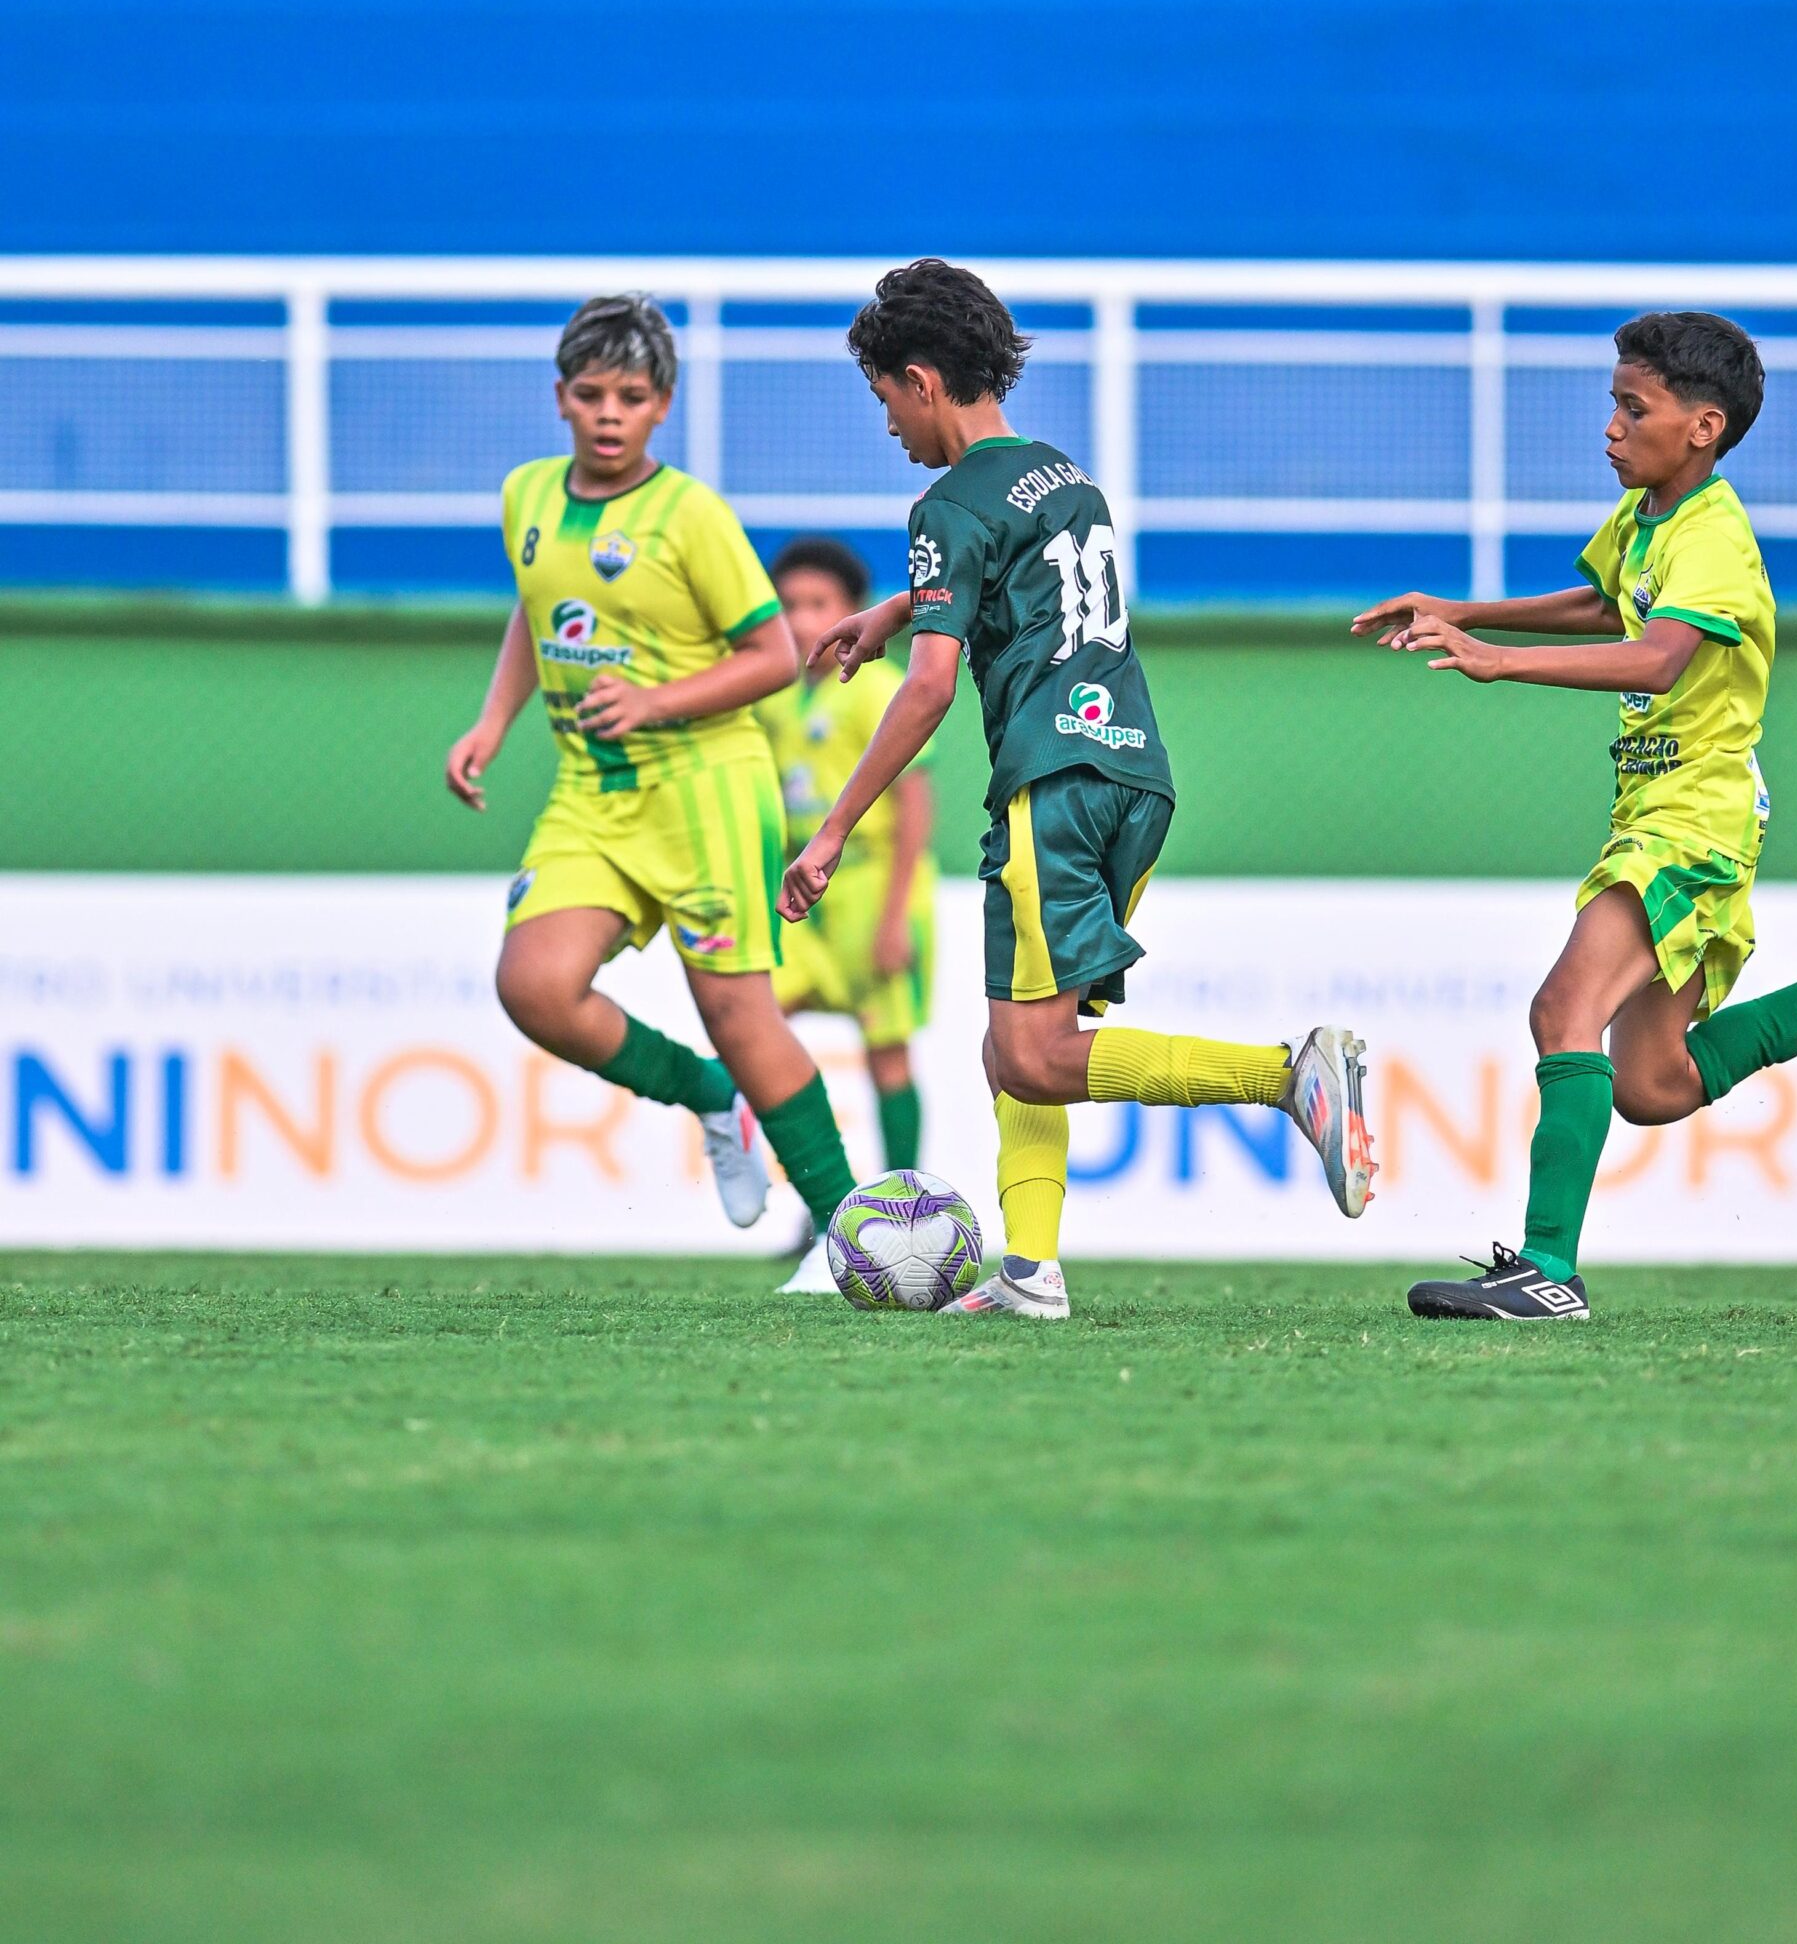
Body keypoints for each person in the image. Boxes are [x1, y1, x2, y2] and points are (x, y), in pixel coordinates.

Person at [777, 258, 1374, 1322]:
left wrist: (830, 831)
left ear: (919, 379)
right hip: (1131, 777)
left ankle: (1288, 1077)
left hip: (1049, 780)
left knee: (1032, 1051)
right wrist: (884, 617)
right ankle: (1030, 1274)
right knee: (1012, 1045)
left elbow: (927, 689)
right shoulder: (1061, 475)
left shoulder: (942, 502)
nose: (888, 428)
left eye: (883, 401)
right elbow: (1007, 590)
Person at [1356, 309, 1797, 1322]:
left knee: (1563, 1010)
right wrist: (1462, 611)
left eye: (1629, 407)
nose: (1608, 426)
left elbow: (1655, 655)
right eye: (1610, 403)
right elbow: (1610, 607)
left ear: (1702, 425)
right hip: (1661, 802)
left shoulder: (1714, 535)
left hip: (1693, 813)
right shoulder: (1647, 522)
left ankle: (1547, 1271)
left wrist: (1497, 662)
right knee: (1651, 1081)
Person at [443, 292, 858, 1287]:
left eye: (631, 395)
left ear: (661, 405)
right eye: (590, 393)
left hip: (705, 786)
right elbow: (538, 611)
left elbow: (774, 655)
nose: (609, 412)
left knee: (742, 1015)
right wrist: (493, 722)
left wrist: (658, 701)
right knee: (533, 986)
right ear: (559, 398)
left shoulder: (690, 515)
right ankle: (708, 1095)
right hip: (592, 792)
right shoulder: (527, 497)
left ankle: (850, 1236)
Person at [759, 536, 939, 1196]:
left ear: (852, 611)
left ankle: (901, 1203)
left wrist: (895, 919)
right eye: (788, 604)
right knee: (755, 1023)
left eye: (818, 603)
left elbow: (915, 805)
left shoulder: (879, 689)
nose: (802, 618)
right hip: (800, 892)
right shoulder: (775, 697)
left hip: (872, 881)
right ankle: (820, 1199)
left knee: (885, 1051)